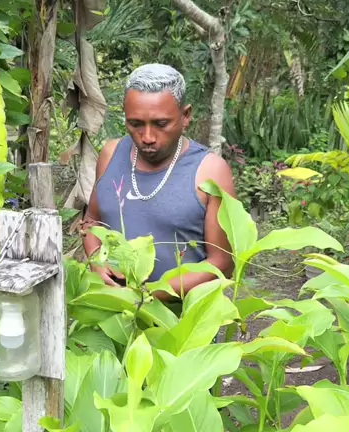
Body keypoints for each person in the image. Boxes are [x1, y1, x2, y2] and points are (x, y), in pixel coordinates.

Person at [83, 63, 235, 296]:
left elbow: (222, 263)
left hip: (182, 316)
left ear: (185, 116)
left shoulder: (210, 171)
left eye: (161, 124)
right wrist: (96, 259)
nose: (147, 137)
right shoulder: (111, 155)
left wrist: (147, 295)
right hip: (111, 309)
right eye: (135, 124)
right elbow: (92, 221)